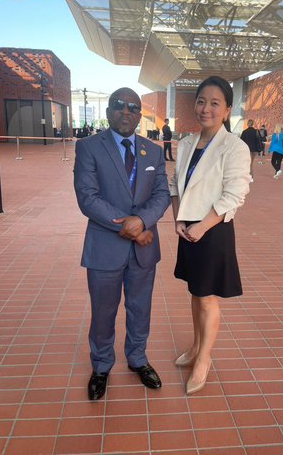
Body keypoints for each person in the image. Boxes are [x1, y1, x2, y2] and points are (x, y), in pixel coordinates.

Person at [74, 87, 170, 401]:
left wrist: (141, 221)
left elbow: (161, 195)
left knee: (140, 308)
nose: (125, 111)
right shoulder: (88, 147)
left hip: (144, 249)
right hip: (104, 248)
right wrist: (131, 227)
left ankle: (137, 358)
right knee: (103, 311)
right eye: (118, 105)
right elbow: (88, 198)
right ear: (108, 110)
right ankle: (101, 365)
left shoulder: (153, 151)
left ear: (139, 114)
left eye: (132, 107)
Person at [169, 76, 251, 395]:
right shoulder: (187, 143)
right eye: (202, 101)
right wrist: (178, 218)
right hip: (187, 226)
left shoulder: (234, 147)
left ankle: (204, 358)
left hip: (213, 229)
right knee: (195, 291)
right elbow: (176, 185)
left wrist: (202, 225)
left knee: (207, 297)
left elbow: (235, 194)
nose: (206, 108)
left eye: (215, 103)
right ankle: (195, 346)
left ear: (227, 110)